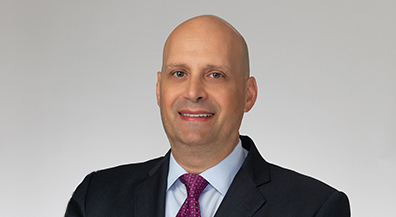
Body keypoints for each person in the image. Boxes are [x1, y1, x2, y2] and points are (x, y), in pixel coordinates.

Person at [65, 15, 350, 217]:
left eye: (215, 75)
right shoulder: (96, 198)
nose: (194, 92)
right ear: (158, 89)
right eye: (179, 73)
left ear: (248, 94)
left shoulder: (314, 208)